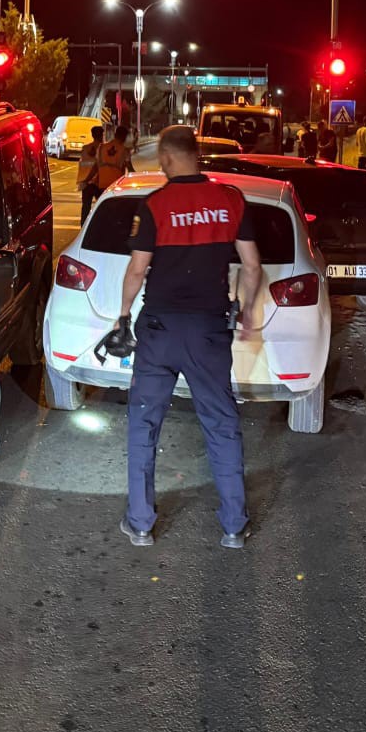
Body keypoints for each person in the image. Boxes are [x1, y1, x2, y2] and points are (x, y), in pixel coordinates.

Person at [116, 126, 266, 549]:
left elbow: (136, 270)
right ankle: (234, 525)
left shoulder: (156, 205)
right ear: (196, 155)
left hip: (161, 330)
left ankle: (141, 523)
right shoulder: (230, 199)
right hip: (208, 330)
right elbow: (252, 266)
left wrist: (123, 315)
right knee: (221, 423)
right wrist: (247, 309)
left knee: (144, 422)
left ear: (165, 158)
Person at [77, 125, 105, 219]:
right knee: (103, 207)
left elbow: (82, 165)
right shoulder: (104, 148)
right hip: (99, 183)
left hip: (86, 182)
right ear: (101, 135)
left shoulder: (85, 148)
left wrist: (83, 180)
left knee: (86, 207)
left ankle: (83, 228)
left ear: (92, 135)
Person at [96, 124, 133, 192]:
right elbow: (130, 169)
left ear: (115, 134)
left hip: (102, 184)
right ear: (124, 137)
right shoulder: (124, 150)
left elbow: (96, 165)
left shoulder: (101, 147)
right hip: (116, 184)